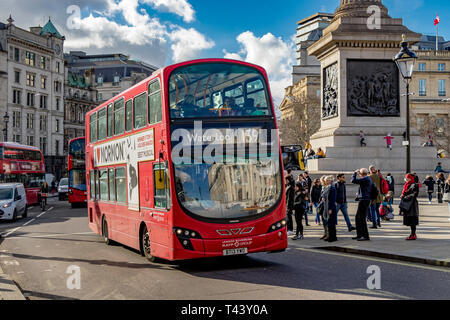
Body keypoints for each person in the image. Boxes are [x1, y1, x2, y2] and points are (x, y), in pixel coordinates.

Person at [351, 168, 371, 241]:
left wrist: (354, 173)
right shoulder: (367, 178)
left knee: (361, 218)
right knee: (358, 218)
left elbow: (353, 180)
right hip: (363, 199)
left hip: (364, 200)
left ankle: (365, 236)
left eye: (360, 174)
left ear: (361, 174)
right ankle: (359, 235)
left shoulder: (365, 179)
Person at [400, 174, 420, 240]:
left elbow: (415, 194)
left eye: (407, 178)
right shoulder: (407, 185)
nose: (406, 179)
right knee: (410, 219)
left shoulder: (414, 185)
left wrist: (405, 196)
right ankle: (413, 234)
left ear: (410, 178)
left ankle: (413, 234)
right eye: (405, 178)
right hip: (408, 203)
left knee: (412, 219)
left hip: (412, 204)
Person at [325, 176, 338, 243]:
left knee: (331, 223)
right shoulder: (330, 187)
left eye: (326, 180)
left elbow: (332, 199)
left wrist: (330, 208)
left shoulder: (332, 188)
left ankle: (332, 237)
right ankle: (332, 237)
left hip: (331, 208)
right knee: (330, 223)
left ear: (330, 181)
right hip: (330, 207)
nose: (325, 182)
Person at [318, 176, 329, 240]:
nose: (321, 182)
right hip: (322, 205)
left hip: (325, 206)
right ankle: (325, 233)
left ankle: (328, 234)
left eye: (322, 180)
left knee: (326, 220)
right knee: (323, 220)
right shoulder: (322, 187)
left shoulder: (326, 188)